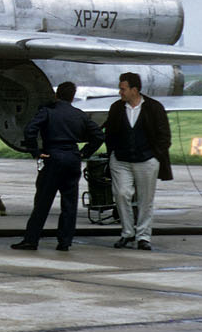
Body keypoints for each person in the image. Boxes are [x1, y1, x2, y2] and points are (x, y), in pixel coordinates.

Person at [14, 81, 103, 252]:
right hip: (72, 158)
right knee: (69, 203)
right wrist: (84, 153)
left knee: (42, 202)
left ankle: (31, 240)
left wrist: (35, 151)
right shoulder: (79, 114)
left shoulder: (47, 111)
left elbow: (30, 130)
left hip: (53, 157)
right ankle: (65, 242)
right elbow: (98, 135)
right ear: (72, 96)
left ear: (57, 95)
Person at [103, 71, 172, 251]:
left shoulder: (154, 107)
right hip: (121, 160)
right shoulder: (116, 108)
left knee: (145, 200)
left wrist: (155, 155)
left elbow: (164, 135)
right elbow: (109, 133)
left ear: (134, 89)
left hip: (146, 160)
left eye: (123, 89)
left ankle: (143, 236)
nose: (120, 92)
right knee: (121, 194)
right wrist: (112, 153)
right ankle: (127, 233)